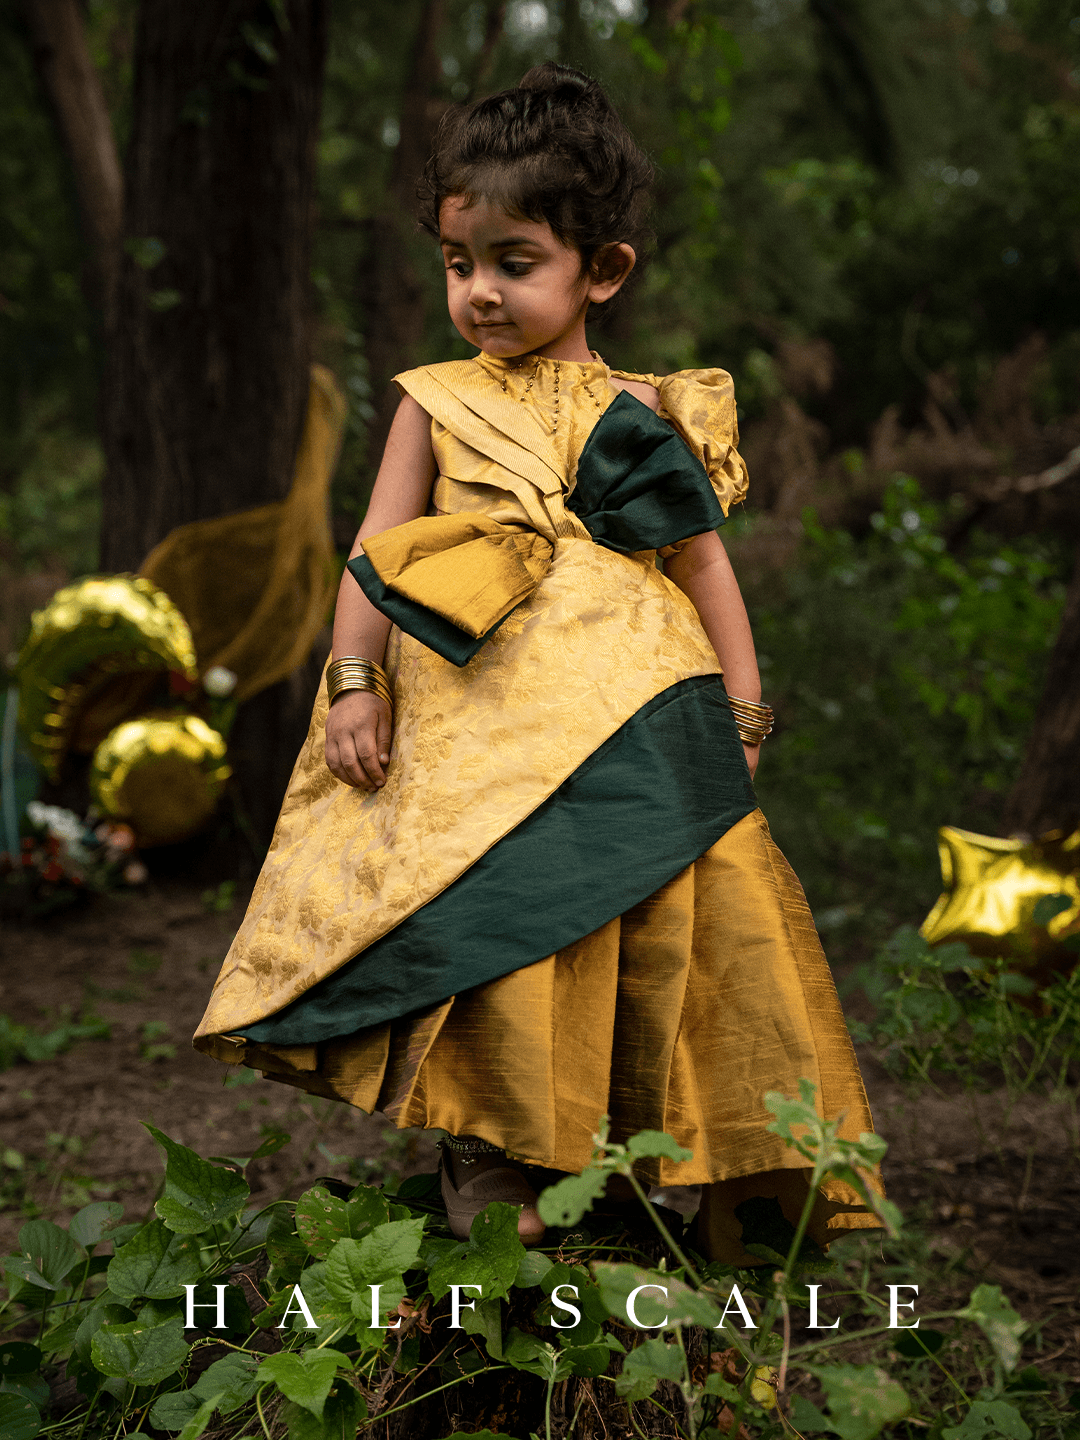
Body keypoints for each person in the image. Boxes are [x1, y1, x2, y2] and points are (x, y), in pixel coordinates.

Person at [194, 63, 881, 1261]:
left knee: (673, 918)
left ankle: (641, 1167)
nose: (480, 294)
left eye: (515, 263)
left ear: (600, 270)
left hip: (650, 716)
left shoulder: (651, 411)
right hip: (484, 723)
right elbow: (375, 552)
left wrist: (745, 716)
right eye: (461, 263)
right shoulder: (436, 403)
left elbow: (706, 571)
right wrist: (353, 683)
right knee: (512, 922)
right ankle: (498, 1153)